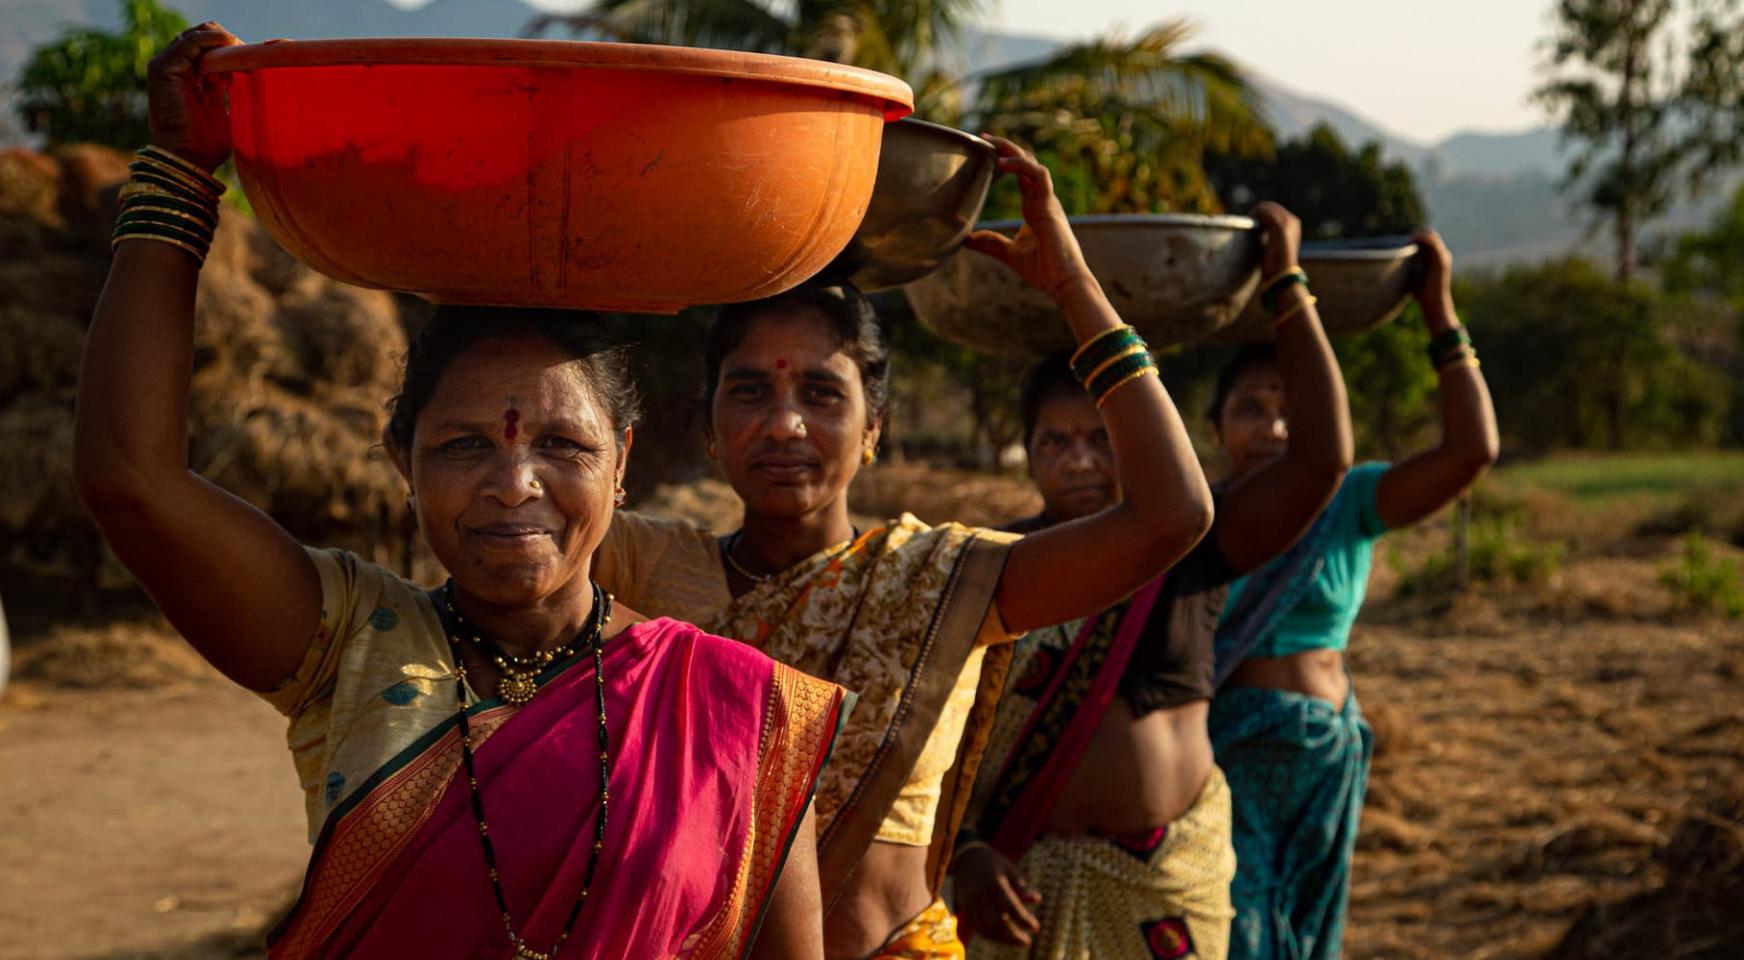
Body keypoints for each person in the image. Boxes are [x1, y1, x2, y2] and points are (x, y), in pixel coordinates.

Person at [73, 23, 847, 959]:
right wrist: (177, 173)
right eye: (463, 445)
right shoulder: (349, 645)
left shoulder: (737, 710)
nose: (513, 484)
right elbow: (130, 479)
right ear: (403, 460)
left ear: (623, 460)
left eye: (563, 443)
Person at [593, 137, 1216, 959]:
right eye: (750, 392)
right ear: (709, 429)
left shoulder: (946, 578)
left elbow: (1171, 515)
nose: (786, 424)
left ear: (874, 429)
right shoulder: (642, 565)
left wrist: (1075, 288)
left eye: (821, 393)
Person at [951, 205, 1355, 960]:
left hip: (1167, 888)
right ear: (1028, 451)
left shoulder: (1190, 539)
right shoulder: (994, 564)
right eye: (1056, 441)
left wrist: (1286, 283)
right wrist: (966, 849)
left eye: (1103, 439)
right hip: (1022, 892)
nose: (1080, 460)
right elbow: (936, 738)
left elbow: (1321, 461)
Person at [1210, 231, 1499, 960]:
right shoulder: (1197, 518)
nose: (1274, 426)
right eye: (1249, 408)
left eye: (1290, 406)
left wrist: (1438, 309)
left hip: (1326, 757)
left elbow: (1471, 451)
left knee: (1309, 934)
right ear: (1216, 430)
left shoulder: (1349, 500)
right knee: (1238, 930)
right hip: (1227, 757)